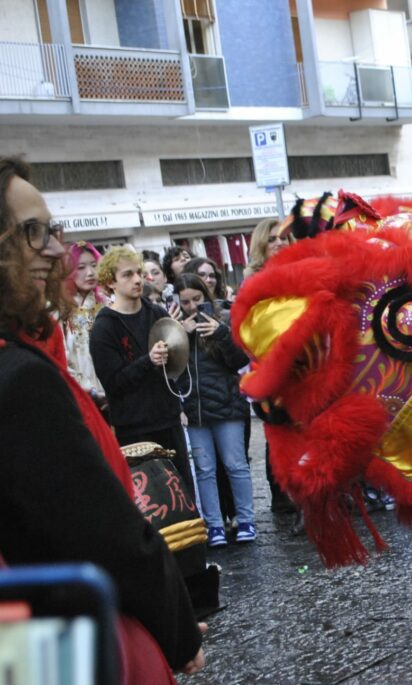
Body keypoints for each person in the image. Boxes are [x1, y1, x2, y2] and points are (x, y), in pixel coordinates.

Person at [0, 156, 205, 681]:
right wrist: (177, 628)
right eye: (31, 232)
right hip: (66, 637)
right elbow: (102, 531)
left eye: (53, 230)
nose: (52, 249)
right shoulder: (19, 377)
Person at [90, 246, 194, 497]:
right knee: (153, 502)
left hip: (167, 418)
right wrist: (148, 361)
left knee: (182, 495)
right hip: (134, 428)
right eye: (127, 274)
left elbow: (176, 366)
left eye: (138, 272)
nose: (137, 279)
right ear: (110, 282)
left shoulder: (155, 312)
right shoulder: (104, 327)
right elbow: (113, 382)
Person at [173, 273, 256, 547]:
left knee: (235, 465)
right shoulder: (173, 325)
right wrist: (178, 336)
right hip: (193, 405)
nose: (192, 307)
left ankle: (246, 520)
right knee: (204, 469)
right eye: (185, 301)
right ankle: (215, 525)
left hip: (225, 402)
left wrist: (222, 334)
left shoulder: (223, 317)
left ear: (205, 296)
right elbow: (171, 369)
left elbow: (239, 360)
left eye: (197, 299)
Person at [243, 216, 295, 515]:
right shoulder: (254, 279)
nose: (278, 243)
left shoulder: (298, 270)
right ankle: (282, 493)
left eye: (283, 238)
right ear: (261, 244)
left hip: (300, 361)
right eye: (272, 239)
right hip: (268, 365)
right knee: (277, 432)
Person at [61, 240, 107, 409]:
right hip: (78, 396)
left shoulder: (107, 305)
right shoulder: (60, 309)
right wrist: (88, 391)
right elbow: (61, 358)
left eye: (94, 265)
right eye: (81, 268)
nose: (90, 273)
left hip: (111, 393)